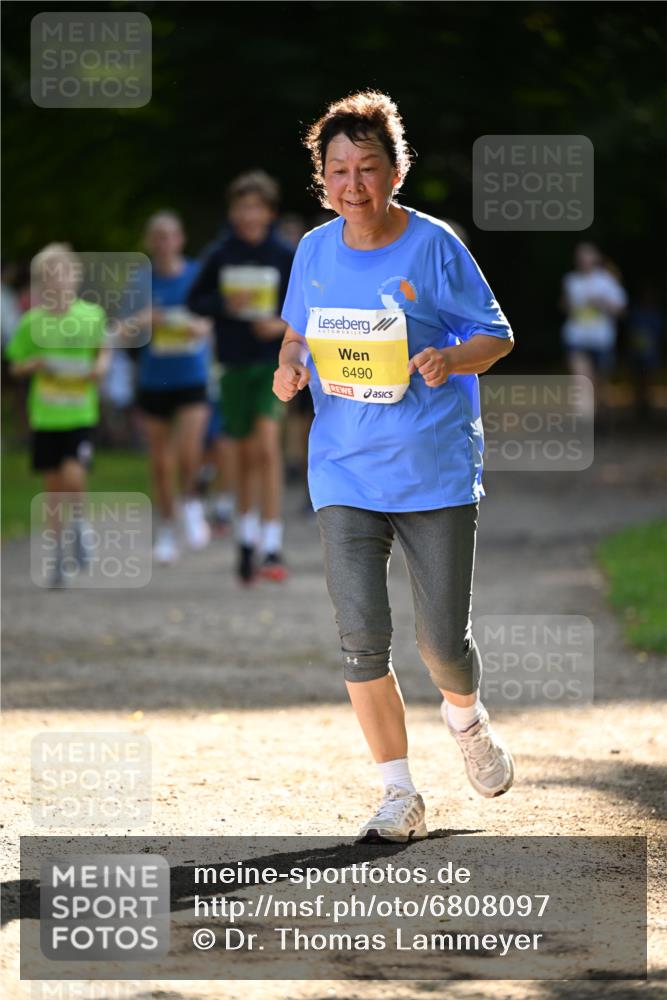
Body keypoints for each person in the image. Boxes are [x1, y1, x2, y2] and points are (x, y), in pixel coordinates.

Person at [273, 90, 516, 843]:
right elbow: (295, 337)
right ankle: (398, 793)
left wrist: (450, 356)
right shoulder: (313, 249)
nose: (353, 184)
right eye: (338, 169)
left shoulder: (434, 245)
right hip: (342, 469)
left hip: (432, 468)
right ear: (321, 177)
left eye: (367, 168)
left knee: (440, 641)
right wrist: (289, 369)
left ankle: (465, 717)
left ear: (395, 171)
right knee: (359, 636)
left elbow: (496, 335)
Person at [188, 171, 294, 584]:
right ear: (233, 212)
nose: (249, 215)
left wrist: (279, 324)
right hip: (232, 364)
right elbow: (195, 301)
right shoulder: (221, 253)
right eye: (241, 207)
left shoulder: (285, 254)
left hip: (273, 363)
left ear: (269, 212)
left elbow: (303, 307)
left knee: (267, 446)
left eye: (256, 207)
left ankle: (272, 542)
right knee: (245, 453)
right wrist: (223, 302)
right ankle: (247, 539)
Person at [5, 243, 110, 586]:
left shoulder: (91, 316)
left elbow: (103, 353)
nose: (57, 283)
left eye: (63, 275)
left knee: (73, 475)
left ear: (75, 278)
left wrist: (98, 369)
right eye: (48, 278)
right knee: (52, 489)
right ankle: (57, 556)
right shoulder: (32, 322)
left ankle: (80, 524)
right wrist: (31, 365)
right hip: (46, 416)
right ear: (40, 284)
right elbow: (14, 365)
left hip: (80, 414)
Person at [126, 211, 213, 565]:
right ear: (150, 242)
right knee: (160, 460)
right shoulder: (139, 281)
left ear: (180, 239)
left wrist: (200, 327)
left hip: (191, 375)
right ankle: (166, 528)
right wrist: (143, 320)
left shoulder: (197, 275)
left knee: (189, 450)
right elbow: (121, 329)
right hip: (154, 379)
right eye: (157, 237)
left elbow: (212, 317)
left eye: (169, 236)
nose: (164, 243)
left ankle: (191, 502)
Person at [560, 242, 627, 418]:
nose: (583, 260)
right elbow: (564, 305)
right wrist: (568, 306)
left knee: (600, 385)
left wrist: (602, 303)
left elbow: (621, 310)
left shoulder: (607, 280)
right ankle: (585, 420)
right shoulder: (570, 280)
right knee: (582, 380)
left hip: (601, 340)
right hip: (577, 338)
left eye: (587, 256)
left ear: (595, 258)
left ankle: (601, 418)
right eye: (580, 256)